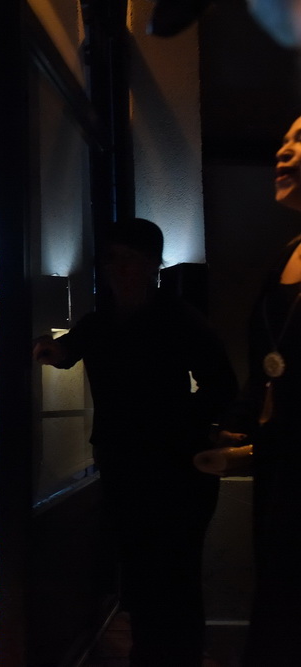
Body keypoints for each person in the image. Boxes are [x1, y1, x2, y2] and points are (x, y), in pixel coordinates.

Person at [33, 218, 238, 667]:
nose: (117, 268)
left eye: (128, 259)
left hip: (176, 466)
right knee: (145, 572)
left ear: (151, 264)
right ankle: (155, 656)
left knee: (174, 573)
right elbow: (67, 351)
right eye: (111, 259)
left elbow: (222, 386)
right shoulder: (103, 321)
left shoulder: (176, 317)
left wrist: (176, 424)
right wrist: (41, 349)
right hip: (127, 462)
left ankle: (176, 656)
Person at [216, 114, 301, 666]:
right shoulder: (288, 252)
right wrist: (238, 422)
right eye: (284, 139)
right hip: (281, 463)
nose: (282, 150)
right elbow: (268, 364)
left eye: (298, 140)